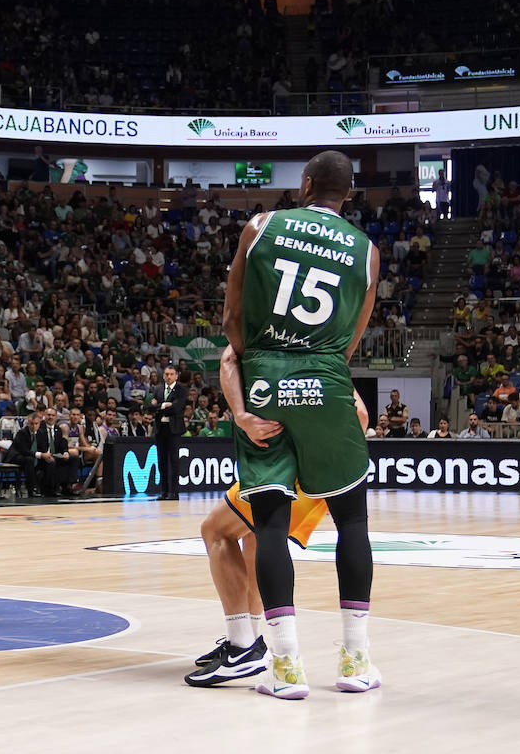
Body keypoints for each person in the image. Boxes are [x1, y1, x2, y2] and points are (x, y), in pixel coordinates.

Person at [221, 150, 381, 699]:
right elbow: (352, 335)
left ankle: (286, 667)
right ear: (349, 195)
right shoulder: (366, 251)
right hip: (327, 379)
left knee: (268, 524)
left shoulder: (261, 226)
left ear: (305, 184)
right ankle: (355, 662)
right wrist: (320, 369)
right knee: (352, 523)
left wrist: (261, 364)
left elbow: (231, 317)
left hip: (265, 375)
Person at [187, 344, 370, 687]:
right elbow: (360, 415)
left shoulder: (260, 338)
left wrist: (250, 420)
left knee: (216, 530)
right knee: (256, 537)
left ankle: (243, 643)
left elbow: (228, 358)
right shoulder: (321, 348)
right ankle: (253, 645)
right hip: (324, 471)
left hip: (281, 470)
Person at [153, 364, 187, 500]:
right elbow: (150, 407)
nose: (169, 376)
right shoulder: (158, 389)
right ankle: (163, 491)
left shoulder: (181, 390)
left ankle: (174, 492)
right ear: (163, 375)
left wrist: (159, 406)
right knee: (161, 461)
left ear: (176, 376)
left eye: (171, 374)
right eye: (167, 374)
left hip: (174, 430)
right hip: (160, 428)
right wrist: (164, 405)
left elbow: (177, 408)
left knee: (174, 461)